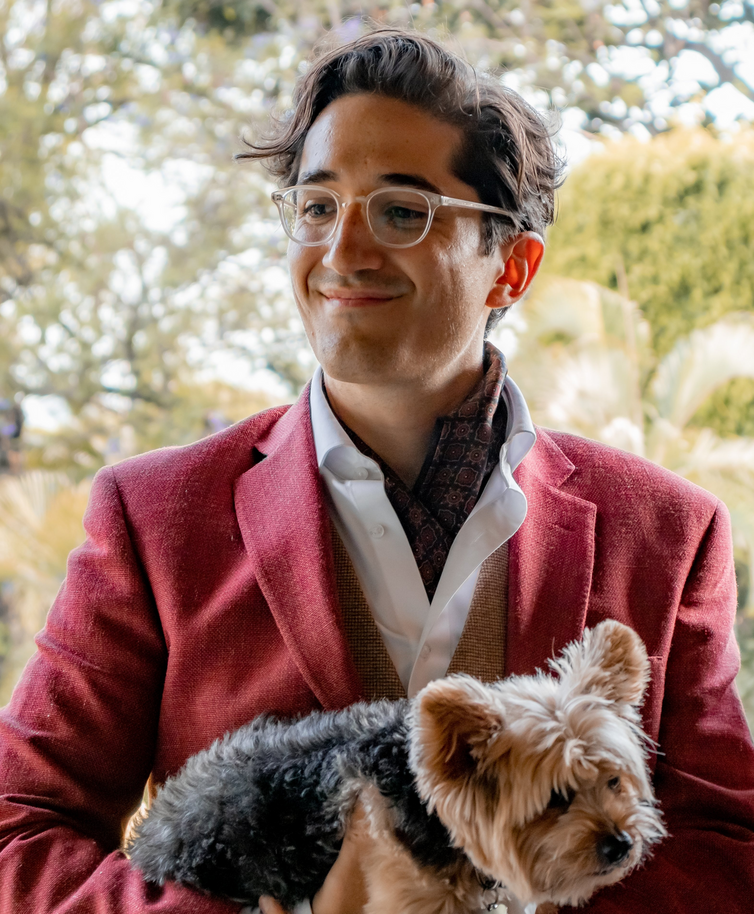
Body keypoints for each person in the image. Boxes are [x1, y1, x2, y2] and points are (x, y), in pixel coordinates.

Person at [1, 27, 753, 914]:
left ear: (511, 267)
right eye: (317, 208)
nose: (341, 251)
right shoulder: (154, 514)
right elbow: (22, 828)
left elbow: (724, 850)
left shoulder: (667, 532)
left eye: (402, 212)